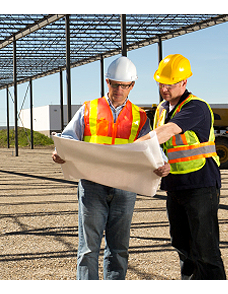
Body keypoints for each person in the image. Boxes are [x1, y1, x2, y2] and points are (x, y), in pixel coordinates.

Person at [51, 56, 152, 280]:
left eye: (124, 85)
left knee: (118, 249)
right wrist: (60, 154)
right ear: (107, 82)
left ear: (132, 86)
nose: (118, 90)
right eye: (114, 84)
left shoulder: (141, 117)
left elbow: (149, 151)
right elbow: (69, 139)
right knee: (88, 249)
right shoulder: (88, 109)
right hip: (92, 186)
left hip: (125, 189)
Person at [134, 54, 226, 280]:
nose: (164, 88)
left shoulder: (196, 107)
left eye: (170, 83)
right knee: (182, 245)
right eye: (161, 83)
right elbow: (163, 149)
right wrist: (160, 165)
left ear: (184, 82)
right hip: (175, 186)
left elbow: (166, 133)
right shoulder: (162, 110)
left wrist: (132, 147)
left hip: (200, 186)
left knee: (206, 250)